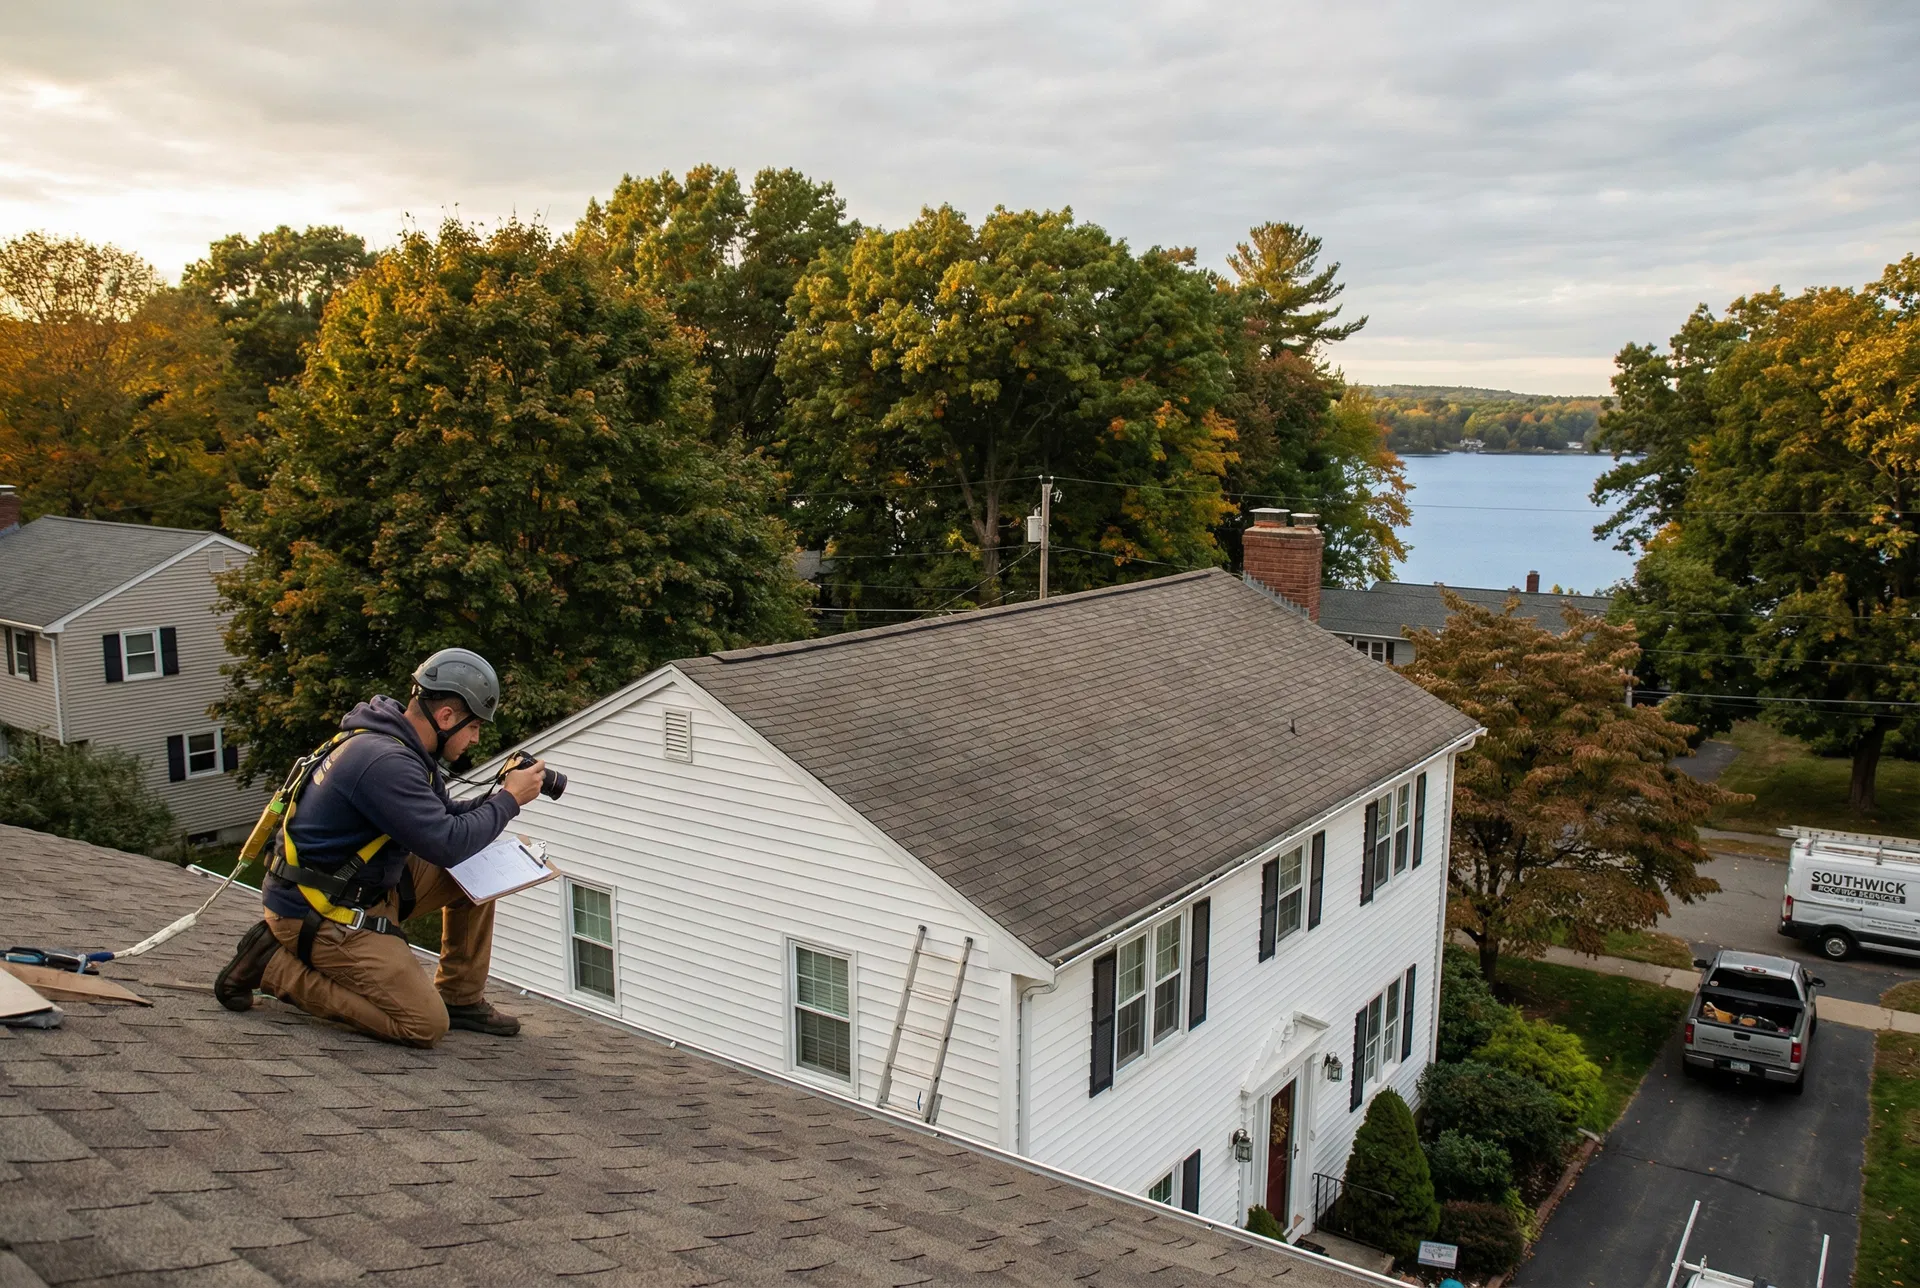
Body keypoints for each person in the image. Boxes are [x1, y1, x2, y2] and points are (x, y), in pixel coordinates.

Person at [213, 648, 548, 1045]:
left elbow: (443, 818)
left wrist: (499, 796)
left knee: (482, 867)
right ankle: (273, 966)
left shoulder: (398, 745)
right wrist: (508, 800)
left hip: (358, 885)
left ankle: (460, 998)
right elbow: (446, 843)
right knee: (423, 1025)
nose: (476, 738)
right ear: (446, 718)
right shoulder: (384, 761)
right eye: (474, 727)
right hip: (320, 912)